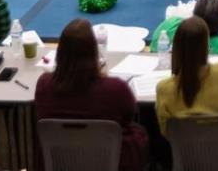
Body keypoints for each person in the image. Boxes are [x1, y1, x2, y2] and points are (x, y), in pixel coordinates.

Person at [35, 19, 148, 171]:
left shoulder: (44, 84)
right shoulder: (115, 88)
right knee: (142, 129)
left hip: (61, 162)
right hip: (110, 162)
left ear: (60, 52)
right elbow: (130, 114)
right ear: (94, 52)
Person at [156, 16, 218, 157]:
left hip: (190, 159)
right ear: (207, 47)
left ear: (175, 48)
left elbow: (166, 131)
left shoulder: (164, 89)